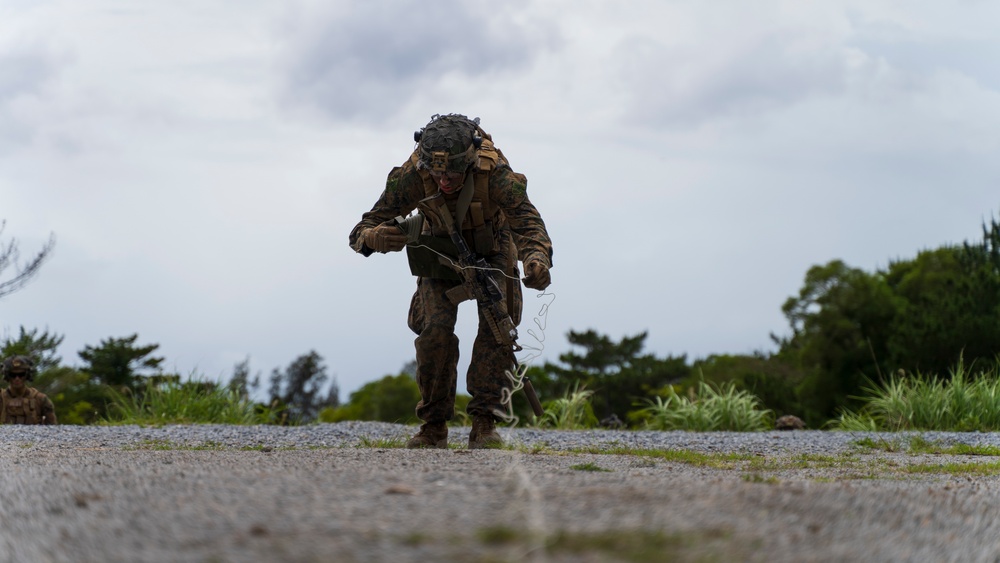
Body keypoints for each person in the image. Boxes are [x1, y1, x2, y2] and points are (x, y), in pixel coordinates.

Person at [349, 114, 553, 449]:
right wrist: (374, 237)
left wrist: (536, 260)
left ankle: (485, 422)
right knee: (435, 331)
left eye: (453, 173)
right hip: (440, 250)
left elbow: (529, 225)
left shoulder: (496, 175)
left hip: (494, 250)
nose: (443, 180)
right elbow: (363, 228)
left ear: (470, 162)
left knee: (497, 331)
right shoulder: (413, 174)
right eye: (437, 172)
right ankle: (433, 425)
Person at [1, 355, 58, 425]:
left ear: (27, 375)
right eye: (13, 375)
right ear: (7, 376)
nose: (17, 378)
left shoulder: (40, 399)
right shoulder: (1, 399)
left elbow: (53, 429)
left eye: (21, 374)